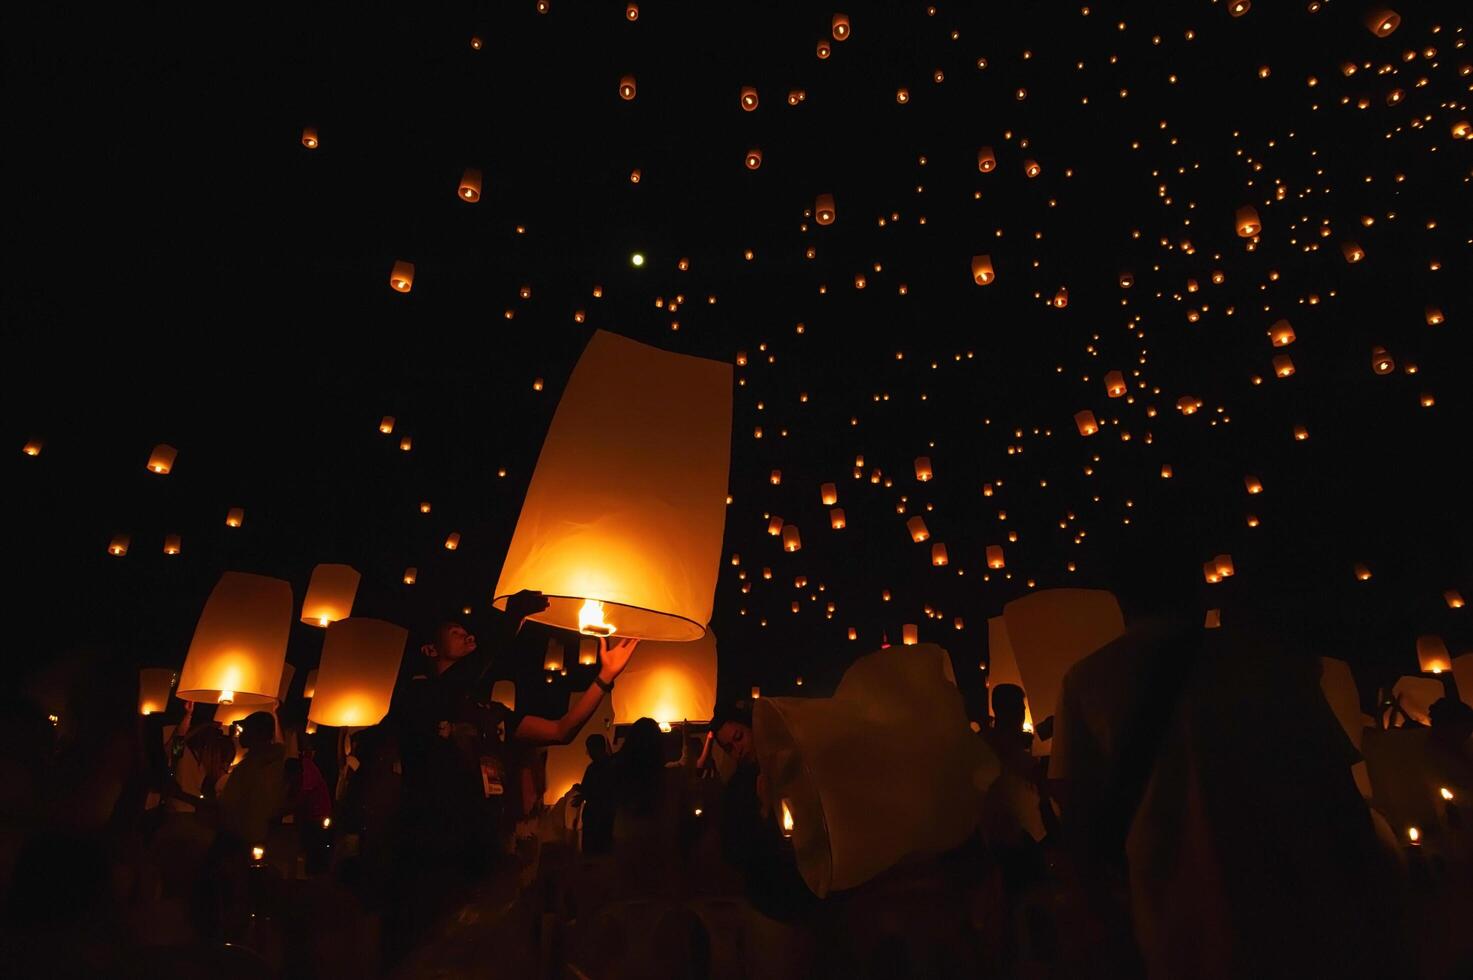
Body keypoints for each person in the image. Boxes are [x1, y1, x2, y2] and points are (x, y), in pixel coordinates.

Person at [711, 699, 815, 924]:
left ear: (752, 728)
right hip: (769, 899)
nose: (737, 749)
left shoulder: (791, 764)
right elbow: (734, 850)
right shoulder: (737, 789)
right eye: (729, 747)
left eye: (739, 737)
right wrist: (765, 811)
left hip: (810, 888)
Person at [215, 710, 287, 848]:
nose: (241, 734)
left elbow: (234, 803)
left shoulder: (256, 766)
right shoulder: (264, 762)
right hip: (250, 834)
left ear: (257, 734)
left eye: (246, 729)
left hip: (241, 837)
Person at [577, 733, 614, 854]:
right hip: (606, 816)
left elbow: (590, 790)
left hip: (597, 816)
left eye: (589, 748)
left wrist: (583, 795)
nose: (588, 753)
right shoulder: (611, 765)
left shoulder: (593, 769)